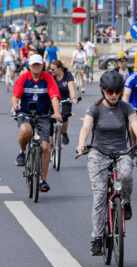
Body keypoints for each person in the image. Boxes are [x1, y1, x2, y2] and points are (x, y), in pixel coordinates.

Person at [76, 71, 137, 255]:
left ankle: (125, 202)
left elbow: (135, 125)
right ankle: (98, 238)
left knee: (125, 176)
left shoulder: (126, 107)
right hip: (98, 153)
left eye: (117, 91)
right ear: (102, 90)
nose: (114, 94)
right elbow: (86, 127)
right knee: (100, 195)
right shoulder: (95, 108)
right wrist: (81, 144)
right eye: (110, 91)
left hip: (121, 152)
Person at [11, 54, 62, 192]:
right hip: (26, 113)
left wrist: (56, 112)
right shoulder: (23, 78)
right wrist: (15, 105)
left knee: (46, 148)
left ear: (42, 65)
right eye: (34, 65)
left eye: (38, 64)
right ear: (29, 65)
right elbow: (15, 96)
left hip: (43, 115)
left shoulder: (48, 78)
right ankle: (22, 152)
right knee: (26, 131)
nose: (36, 67)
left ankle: (42, 180)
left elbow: (54, 97)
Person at [50, 60, 78, 145]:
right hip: (52, 99)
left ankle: (64, 133)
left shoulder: (68, 75)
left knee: (65, 116)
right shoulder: (50, 76)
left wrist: (73, 98)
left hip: (65, 100)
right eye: (51, 69)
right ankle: (50, 140)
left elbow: (71, 87)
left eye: (53, 69)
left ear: (60, 69)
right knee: (50, 119)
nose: (52, 71)